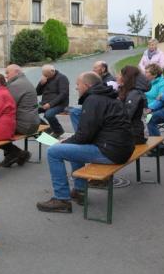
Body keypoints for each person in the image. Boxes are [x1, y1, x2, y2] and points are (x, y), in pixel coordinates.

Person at [37, 72, 135, 213]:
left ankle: (61, 199)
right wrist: (70, 141)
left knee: (53, 152)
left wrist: (64, 142)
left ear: (87, 85)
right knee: (74, 147)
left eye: (78, 84)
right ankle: (80, 191)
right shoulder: (109, 97)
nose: (76, 88)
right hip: (121, 148)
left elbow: (84, 136)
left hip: (111, 152)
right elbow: (87, 134)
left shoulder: (93, 99)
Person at [0, 64, 41, 167]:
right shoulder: (25, 81)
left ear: (17, 72)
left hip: (24, 125)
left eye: (7, 72)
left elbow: (6, 107)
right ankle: (12, 156)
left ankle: (17, 153)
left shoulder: (16, 85)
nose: (6, 75)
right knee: (2, 126)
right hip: (33, 123)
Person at [118, 65, 149, 145]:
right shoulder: (129, 91)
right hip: (132, 131)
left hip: (136, 134)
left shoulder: (135, 93)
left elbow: (126, 116)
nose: (118, 77)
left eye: (121, 75)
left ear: (127, 77)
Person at [36, 64, 70, 137]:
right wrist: (41, 84)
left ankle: (58, 131)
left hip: (60, 104)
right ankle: (47, 129)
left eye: (47, 75)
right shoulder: (45, 78)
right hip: (44, 103)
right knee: (30, 111)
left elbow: (63, 94)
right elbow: (37, 92)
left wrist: (50, 104)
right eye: (44, 75)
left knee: (48, 114)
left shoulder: (62, 78)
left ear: (52, 71)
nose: (46, 77)